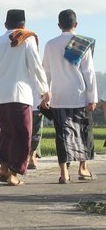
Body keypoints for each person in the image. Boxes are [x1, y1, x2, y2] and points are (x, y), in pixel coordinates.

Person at [0, 9, 50, 186]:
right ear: (23, 24)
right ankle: (13, 173)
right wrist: (45, 90)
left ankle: (4, 168)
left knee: (8, 133)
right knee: (22, 135)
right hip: (18, 96)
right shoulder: (26, 40)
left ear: (5, 25)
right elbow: (36, 66)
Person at [42, 9, 98, 183]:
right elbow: (89, 72)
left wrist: (45, 95)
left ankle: (64, 174)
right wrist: (92, 98)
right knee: (84, 133)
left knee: (62, 135)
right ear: (76, 24)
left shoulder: (50, 44)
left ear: (59, 25)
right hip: (79, 95)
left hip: (58, 97)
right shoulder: (82, 43)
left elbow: (45, 72)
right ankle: (83, 169)